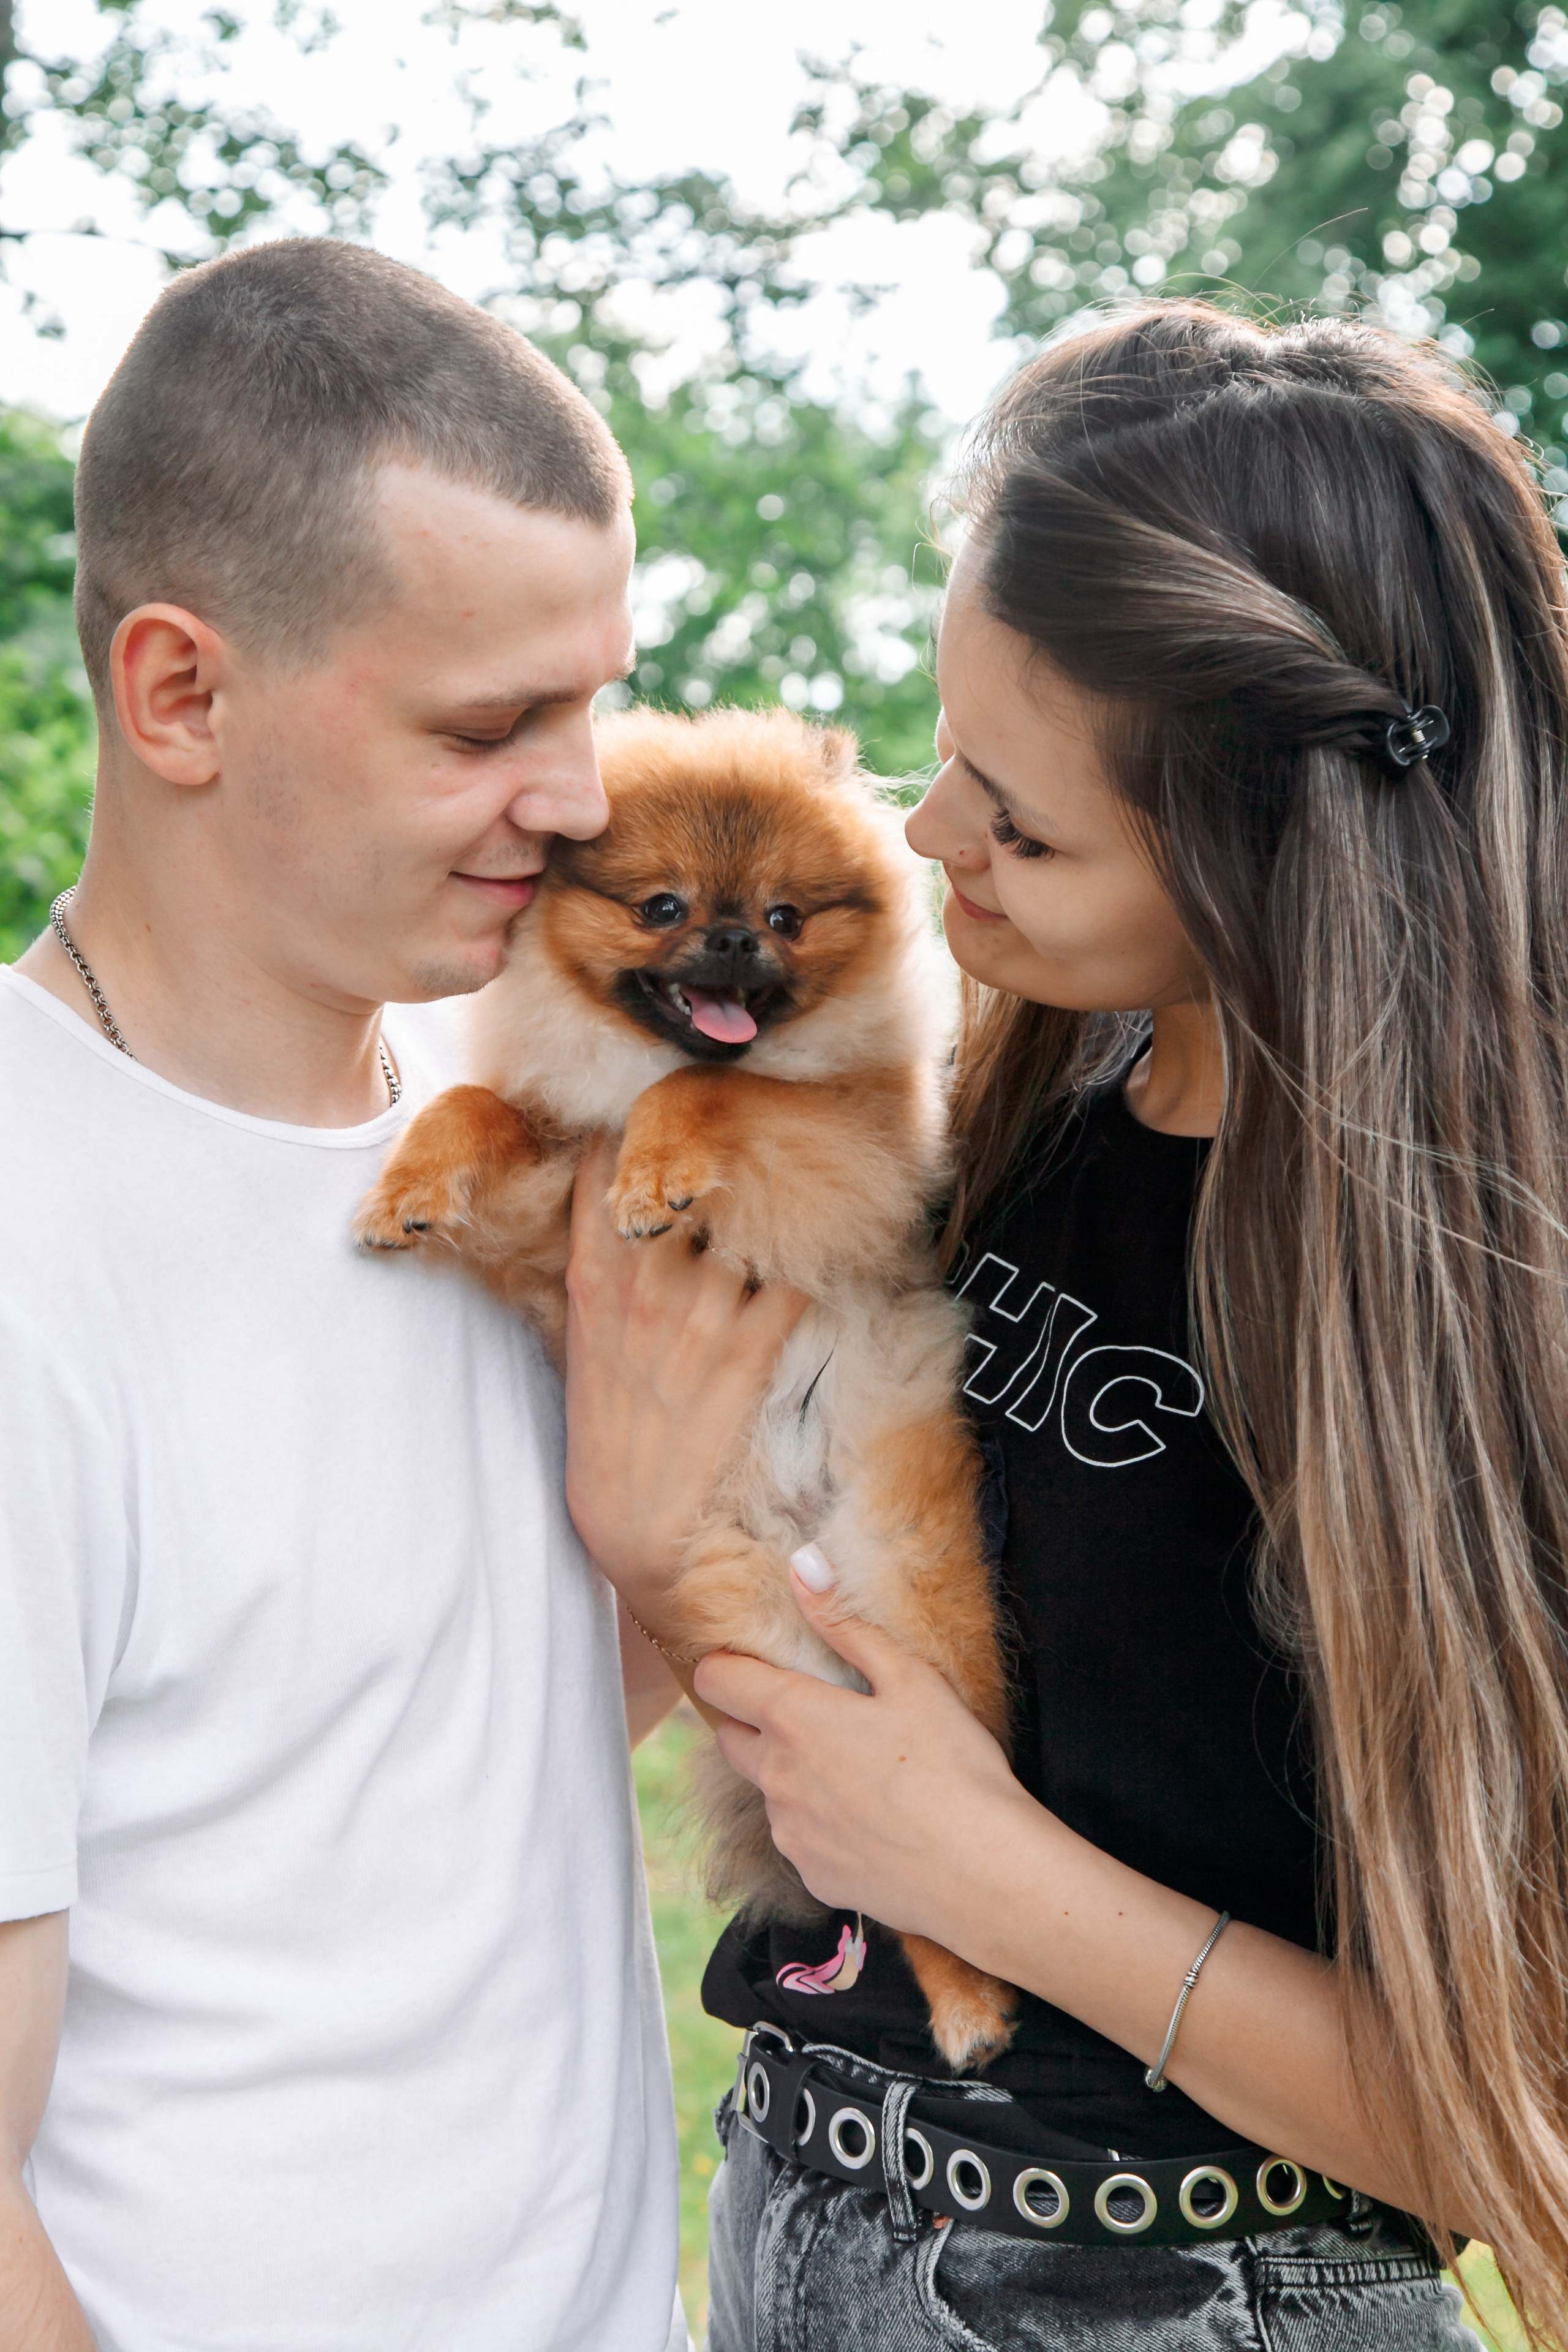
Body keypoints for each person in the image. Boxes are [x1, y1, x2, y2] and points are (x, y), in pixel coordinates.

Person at [565, 301, 1568, 2348]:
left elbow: (1512, 2125)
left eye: (1018, 820)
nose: (931, 836)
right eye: (948, 759)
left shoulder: (1483, 1300)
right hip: (797, 2215)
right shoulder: (1026, 1111)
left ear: (1277, 850)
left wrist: (985, 1876)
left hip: (1174, 2289)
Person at [0, 236, 696, 2351]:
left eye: (594, 700)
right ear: (181, 694)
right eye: (492, 725)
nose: (579, 800)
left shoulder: (525, 1116)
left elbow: (460, 1757)